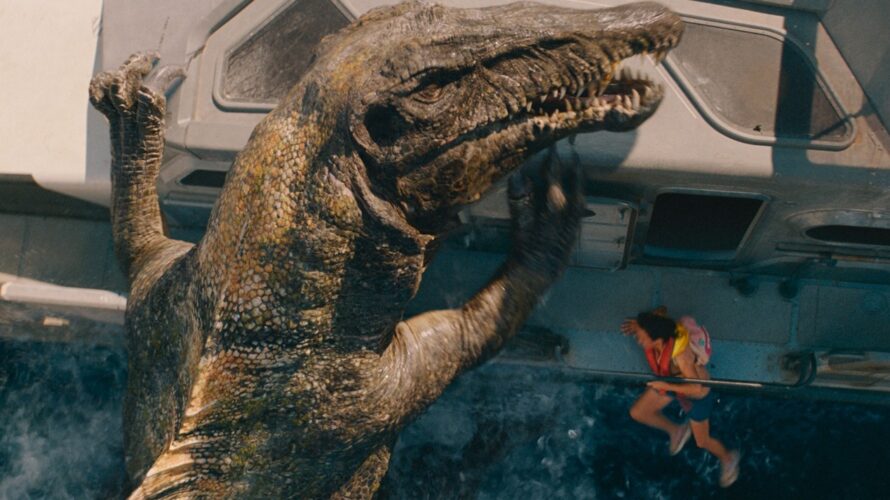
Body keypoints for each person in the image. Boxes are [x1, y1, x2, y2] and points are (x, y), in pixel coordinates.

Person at [621, 308, 740, 488]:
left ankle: (727, 457)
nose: (639, 340)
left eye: (642, 337)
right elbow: (661, 311)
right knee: (638, 412)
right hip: (672, 381)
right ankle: (677, 430)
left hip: (696, 396)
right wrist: (639, 325)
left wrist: (666, 386)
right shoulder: (658, 330)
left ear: (657, 340)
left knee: (702, 441)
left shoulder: (682, 357)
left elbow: (696, 388)